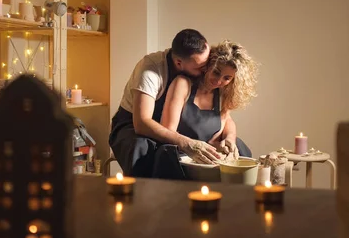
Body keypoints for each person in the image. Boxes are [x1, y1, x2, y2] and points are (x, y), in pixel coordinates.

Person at [110, 29, 241, 178]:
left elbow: (225, 117)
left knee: (239, 149)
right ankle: (144, 197)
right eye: (201, 67)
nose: (206, 70)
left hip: (168, 127)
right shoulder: (151, 70)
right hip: (133, 124)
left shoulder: (205, 74)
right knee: (143, 150)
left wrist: (228, 138)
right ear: (179, 63)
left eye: (208, 63)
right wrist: (186, 143)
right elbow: (142, 123)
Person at [160, 40, 258, 164]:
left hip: (211, 155)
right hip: (183, 151)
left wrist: (230, 138)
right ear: (209, 65)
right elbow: (167, 130)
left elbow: (227, 119)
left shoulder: (222, 93)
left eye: (227, 78)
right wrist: (195, 146)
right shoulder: (183, 84)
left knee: (241, 150)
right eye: (216, 72)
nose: (218, 81)